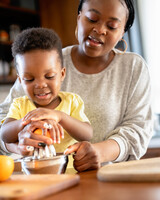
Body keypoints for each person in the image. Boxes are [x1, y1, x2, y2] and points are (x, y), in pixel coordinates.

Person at [0, 0, 153, 172]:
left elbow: (137, 131)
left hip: (110, 178)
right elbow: (3, 126)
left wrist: (99, 153)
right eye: (92, 19)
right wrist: (17, 144)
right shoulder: (46, 61)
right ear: (79, 17)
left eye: (111, 26)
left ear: (122, 32)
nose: (100, 30)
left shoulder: (133, 67)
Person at [0, 28, 93, 169]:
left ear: (62, 74)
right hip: (34, 174)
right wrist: (27, 122)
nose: (40, 85)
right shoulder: (20, 105)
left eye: (49, 76)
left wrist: (59, 116)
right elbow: (4, 134)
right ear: (20, 80)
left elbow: (87, 134)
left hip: (70, 172)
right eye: (29, 79)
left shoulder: (72, 101)